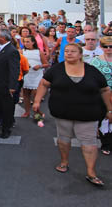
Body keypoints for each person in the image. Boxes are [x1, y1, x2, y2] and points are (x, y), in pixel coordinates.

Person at [34, 43, 112, 187]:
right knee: (63, 140)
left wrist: (109, 110)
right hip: (63, 113)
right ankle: (64, 162)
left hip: (88, 114)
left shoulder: (92, 71)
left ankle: (91, 172)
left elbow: (105, 90)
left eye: (73, 51)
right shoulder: (56, 69)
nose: (69, 54)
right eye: (66, 51)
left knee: (89, 144)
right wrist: (37, 101)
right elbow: (44, 83)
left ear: (80, 54)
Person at [90, 36, 112, 155]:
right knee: (104, 119)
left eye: (111, 46)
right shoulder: (96, 61)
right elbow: (92, 78)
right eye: (105, 46)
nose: (108, 49)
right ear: (101, 47)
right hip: (102, 94)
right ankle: (106, 143)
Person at [21, 35, 48, 118]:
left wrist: (39, 66)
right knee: (26, 94)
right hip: (26, 74)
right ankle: (27, 111)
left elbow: (46, 64)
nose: (26, 43)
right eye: (25, 42)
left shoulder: (39, 52)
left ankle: (37, 111)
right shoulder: (22, 51)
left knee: (35, 95)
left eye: (28, 41)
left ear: (33, 42)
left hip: (37, 75)